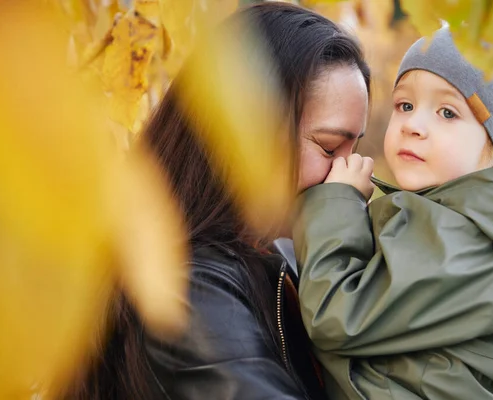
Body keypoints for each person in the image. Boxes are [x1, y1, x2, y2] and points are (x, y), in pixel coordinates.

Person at [62, 2, 370, 399]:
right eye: (330, 148)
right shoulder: (188, 289)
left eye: (354, 149)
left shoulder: (280, 263)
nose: (351, 174)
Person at [293, 12, 493, 400]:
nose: (413, 125)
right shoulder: (459, 221)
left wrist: (335, 203)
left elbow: (337, 315)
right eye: (405, 105)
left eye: (448, 112)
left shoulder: (467, 239)